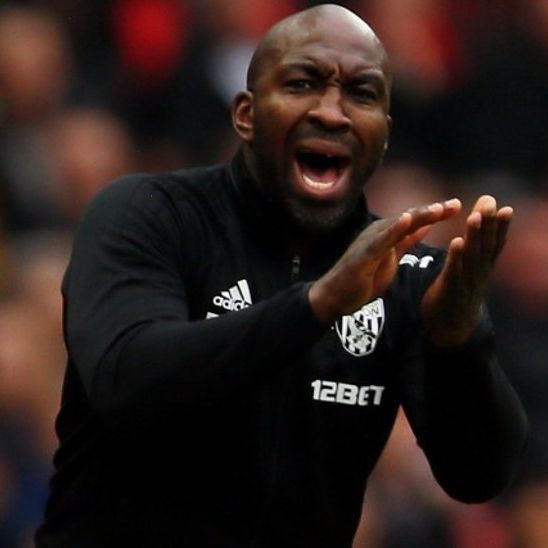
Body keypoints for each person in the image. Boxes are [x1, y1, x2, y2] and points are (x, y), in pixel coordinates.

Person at [35, 4, 528, 547]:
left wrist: (458, 342)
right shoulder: (149, 216)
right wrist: (315, 305)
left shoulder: (403, 274)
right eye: (302, 84)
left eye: (361, 93)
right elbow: (127, 383)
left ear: (383, 135)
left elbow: (477, 476)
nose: (332, 113)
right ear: (246, 115)